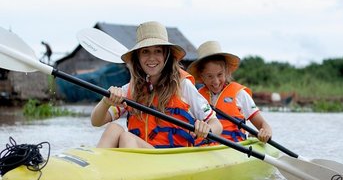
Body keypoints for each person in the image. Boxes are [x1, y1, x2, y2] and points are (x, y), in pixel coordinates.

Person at [91, 21, 222, 148]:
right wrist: (106, 101)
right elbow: (96, 122)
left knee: (127, 137)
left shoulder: (183, 85)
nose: (151, 58)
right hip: (142, 153)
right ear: (138, 57)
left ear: (166, 55)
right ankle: (94, 167)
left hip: (169, 157)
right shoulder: (131, 89)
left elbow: (216, 124)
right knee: (113, 128)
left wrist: (207, 128)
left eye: (158, 51)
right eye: (145, 51)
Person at [187, 41, 272, 143]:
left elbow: (263, 124)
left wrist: (266, 132)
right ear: (201, 76)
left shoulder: (240, 95)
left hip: (234, 149)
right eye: (209, 76)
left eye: (219, 75)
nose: (216, 82)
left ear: (226, 72)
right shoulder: (196, 97)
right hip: (203, 151)